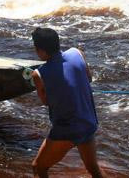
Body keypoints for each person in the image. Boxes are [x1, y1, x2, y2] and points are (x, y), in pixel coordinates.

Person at [30, 27, 104, 178]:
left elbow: (46, 102)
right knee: (93, 169)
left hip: (67, 129)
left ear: (42, 51)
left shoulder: (38, 74)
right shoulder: (77, 53)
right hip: (88, 122)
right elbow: (88, 78)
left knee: (38, 167)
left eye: (36, 49)